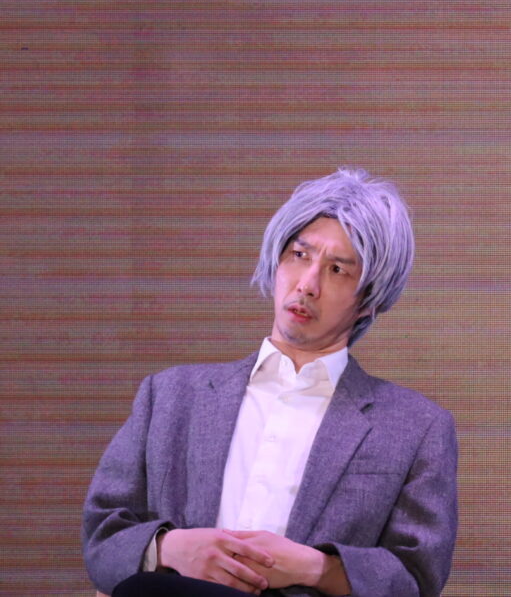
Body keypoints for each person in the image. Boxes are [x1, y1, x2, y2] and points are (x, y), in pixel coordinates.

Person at [83, 168, 457, 597]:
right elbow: (102, 537)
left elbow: (417, 577)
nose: (307, 284)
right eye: (299, 255)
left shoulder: (416, 427)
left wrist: (315, 567)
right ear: (276, 259)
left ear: (369, 300)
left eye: (337, 269)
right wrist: (170, 548)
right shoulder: (170, 396)